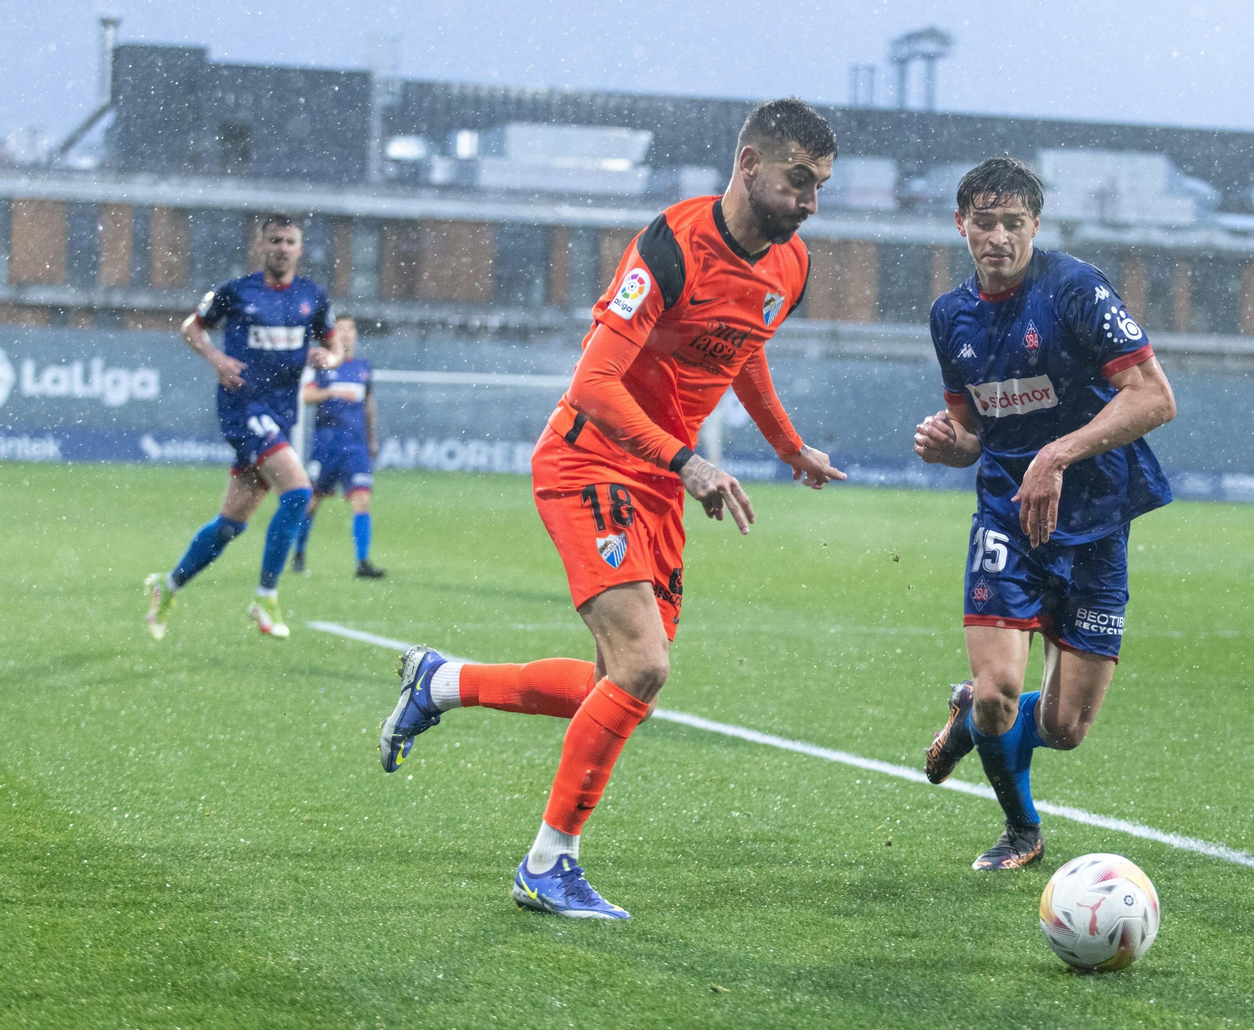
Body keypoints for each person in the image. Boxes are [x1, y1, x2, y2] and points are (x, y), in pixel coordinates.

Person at [373, 99, 846, 919]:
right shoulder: (670, 245)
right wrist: (686, 457)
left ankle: (441, 680)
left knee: (615, 680)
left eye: (819, 188)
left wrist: (787, 444)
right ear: (747, 164)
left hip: (659, 483)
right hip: (589, 457)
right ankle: (547, 862)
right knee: (643, 666)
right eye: (797, 181)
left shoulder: (791, 266)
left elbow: (744, 352)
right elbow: (592, 384)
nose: (809, 203)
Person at [912, 157, 1176, 871]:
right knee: (1001, 692)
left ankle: (972, 718)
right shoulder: (950, 317)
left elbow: (1154, 396)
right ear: (960, 225)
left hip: (1096, 518)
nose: (998, 238)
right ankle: (1021, 828)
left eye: (1013, 224)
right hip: (1007, 517)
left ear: (1035, 225)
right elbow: (972, 434)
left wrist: (1055, 456)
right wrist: (949, 445)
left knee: (1065, 727)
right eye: (984, 223)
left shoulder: (1075, 290)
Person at [144, 216, 338, 640]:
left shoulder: (312, 297)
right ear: (260, 246)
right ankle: (265, 597)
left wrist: (330, 357)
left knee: (231, 524)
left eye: (289, 241)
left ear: (300, 249)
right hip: (242, 409)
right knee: (300, 493)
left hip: (280, 415)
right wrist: (216, 358)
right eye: (275, 240)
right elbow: (191, 326)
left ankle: (169, 584)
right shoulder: (236, 291)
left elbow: (332, 339)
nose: (282, 248)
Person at [293, 315, 385, 578]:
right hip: (327, 444)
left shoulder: (363, 368)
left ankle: (363, 562)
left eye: (350, 329)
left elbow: (368, 405)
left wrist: (371, 439)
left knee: (362, 500)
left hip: (355, 446)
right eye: (341, 329)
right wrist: (332, 392)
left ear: (355, 335)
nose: (346, 334)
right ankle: (299, 552)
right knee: (311, 501)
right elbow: (307, 395)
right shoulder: (322, 365)